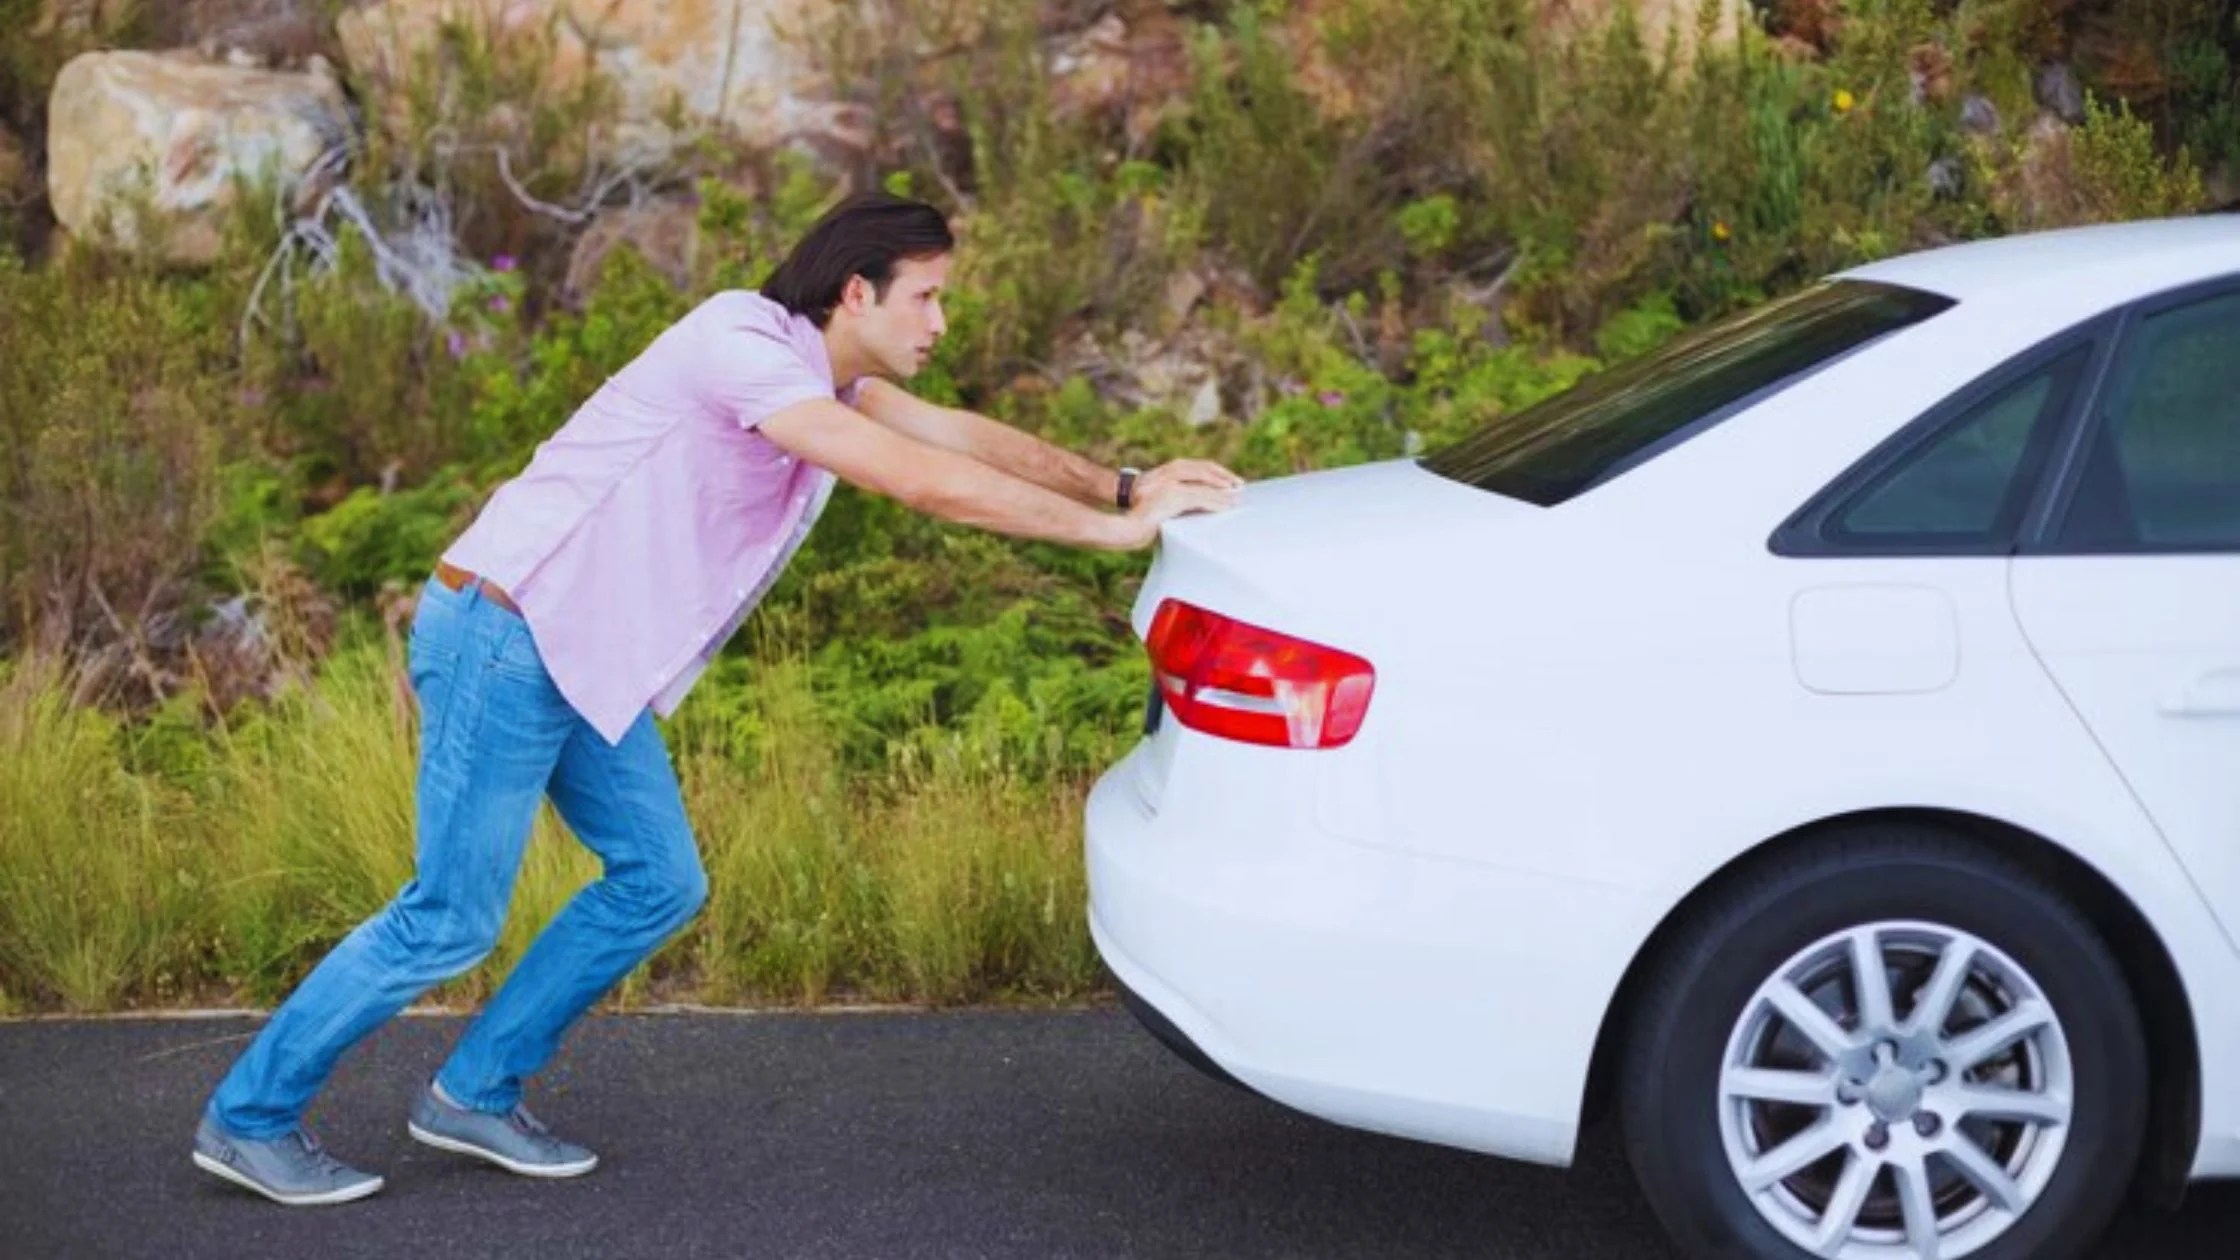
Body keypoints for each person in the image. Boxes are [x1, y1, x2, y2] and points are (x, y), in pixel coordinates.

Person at [191, 191, 1242, 1205]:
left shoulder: (828, 379)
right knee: (450, 917)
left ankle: (473, 1094)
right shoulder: (740, 343)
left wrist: (1123, 485)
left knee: (659, 881)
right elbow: (920, 481)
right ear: (857, 292)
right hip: (510, 632)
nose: (940, 321)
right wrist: (1112, 535)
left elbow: (955, 439)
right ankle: (249, 1119)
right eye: (926, 296)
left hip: (584, 656)